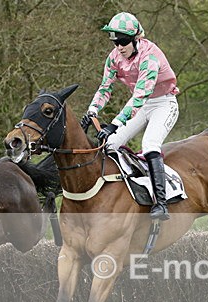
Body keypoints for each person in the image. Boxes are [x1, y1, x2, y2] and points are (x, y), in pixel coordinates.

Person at [82, 12, 180, 221]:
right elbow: (105, 88)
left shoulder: (150, 57)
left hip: (163, 103)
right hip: (141, 106)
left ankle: (161, 203)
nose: (118, 46)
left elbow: (139, 96)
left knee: (150, 144)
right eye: (115, 42)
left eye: (123, 41)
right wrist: (92, 111)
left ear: (136, 39)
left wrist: (115, 123)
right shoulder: (114, 57)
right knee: (110, 145)